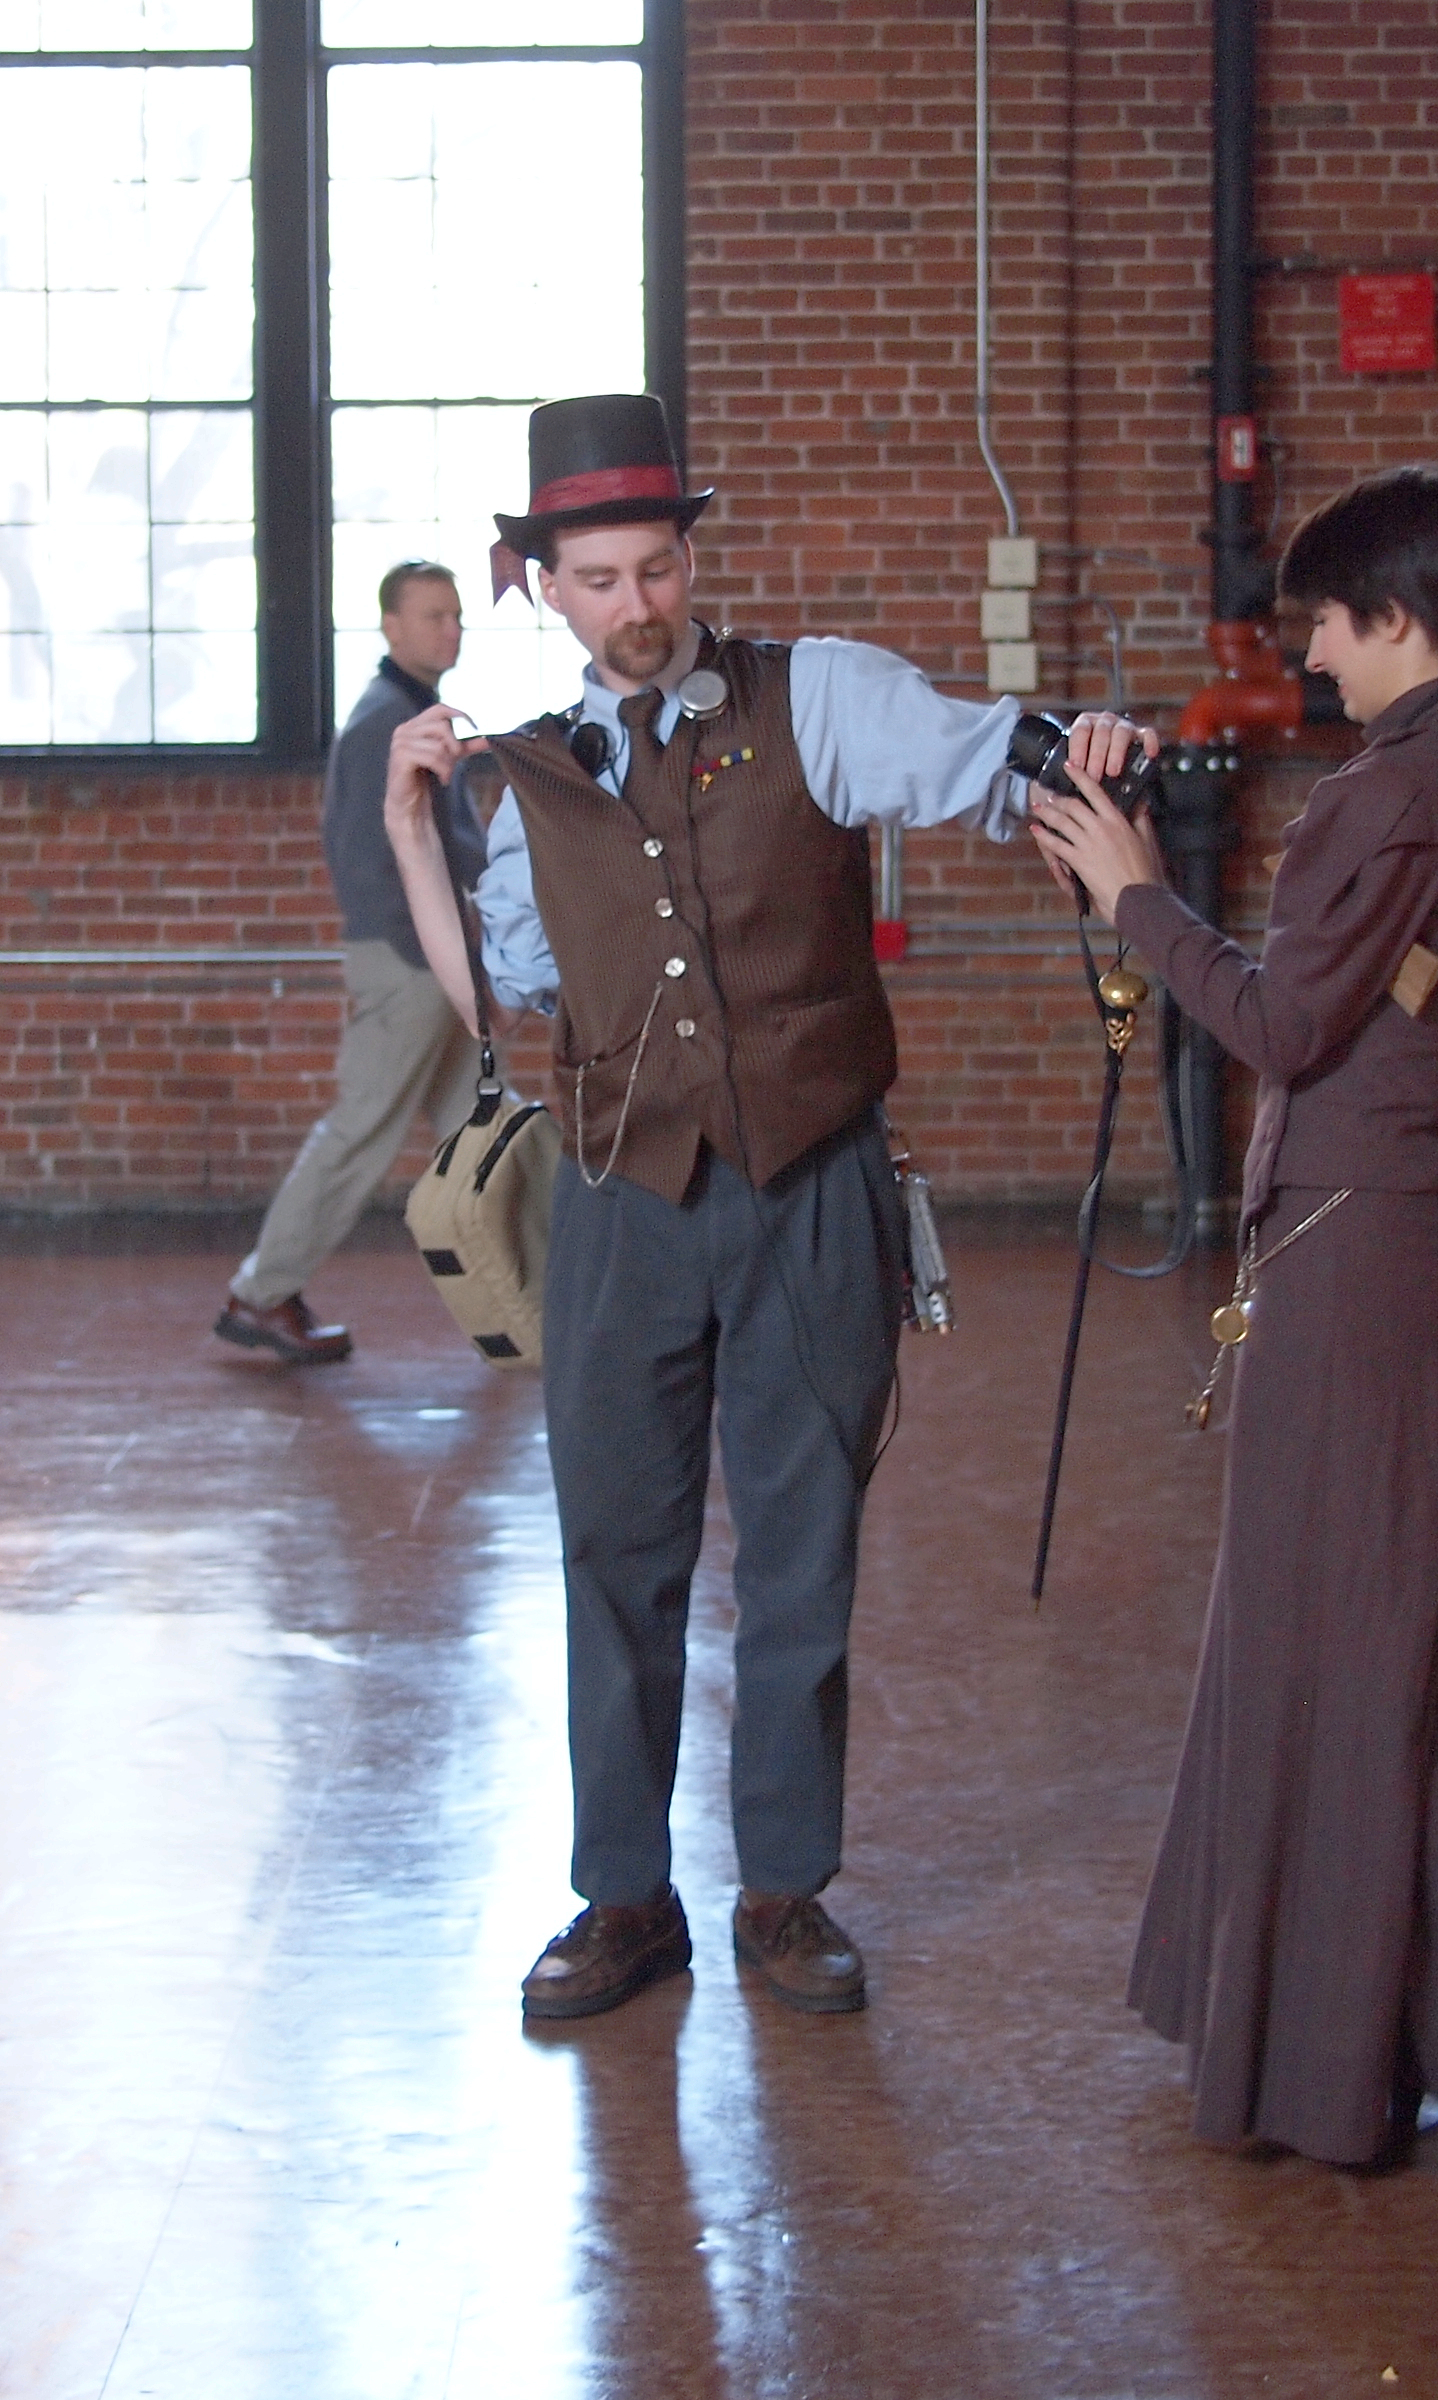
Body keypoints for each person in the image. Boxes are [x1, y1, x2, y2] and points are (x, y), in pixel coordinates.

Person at [382, 392, 1149, 2020]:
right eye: (601, 580)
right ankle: (624, 1898)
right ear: (546, 588)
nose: (638, 606)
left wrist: (1075, 755)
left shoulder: (823, 697)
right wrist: (406, 825)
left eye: (658, 568)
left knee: (802, 1551)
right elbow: (509, 995)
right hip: (620, 1203)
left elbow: (981, 757)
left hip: (812, 1186)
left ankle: (786, 1893)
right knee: (617, 1554)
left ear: (689, 556)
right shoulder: (529, 782)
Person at [1030, 468, 1438, 2174]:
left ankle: (1346, 2068)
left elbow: (1286, 1029)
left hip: (1361, 1262)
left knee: (1349, 1657)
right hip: (1385, 1245)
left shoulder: (1393, 793)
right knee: (1381, 1651)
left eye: (1323, 621)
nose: (1306, 653)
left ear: (1396, 619)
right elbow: (1346, 1012)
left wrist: (1137, 897)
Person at [214, 562, 490, 1364]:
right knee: (362, 1133)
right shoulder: (382, 723)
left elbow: (451, 847)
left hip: (439, 962)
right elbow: (367, 858)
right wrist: (436, 956)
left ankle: (532, 1295)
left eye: (457, 614)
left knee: (483, 1131)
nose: (451, 630)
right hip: (412, 964)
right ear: (390, 627)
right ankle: (261, 1293)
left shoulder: (415, 714)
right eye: (433, 615)